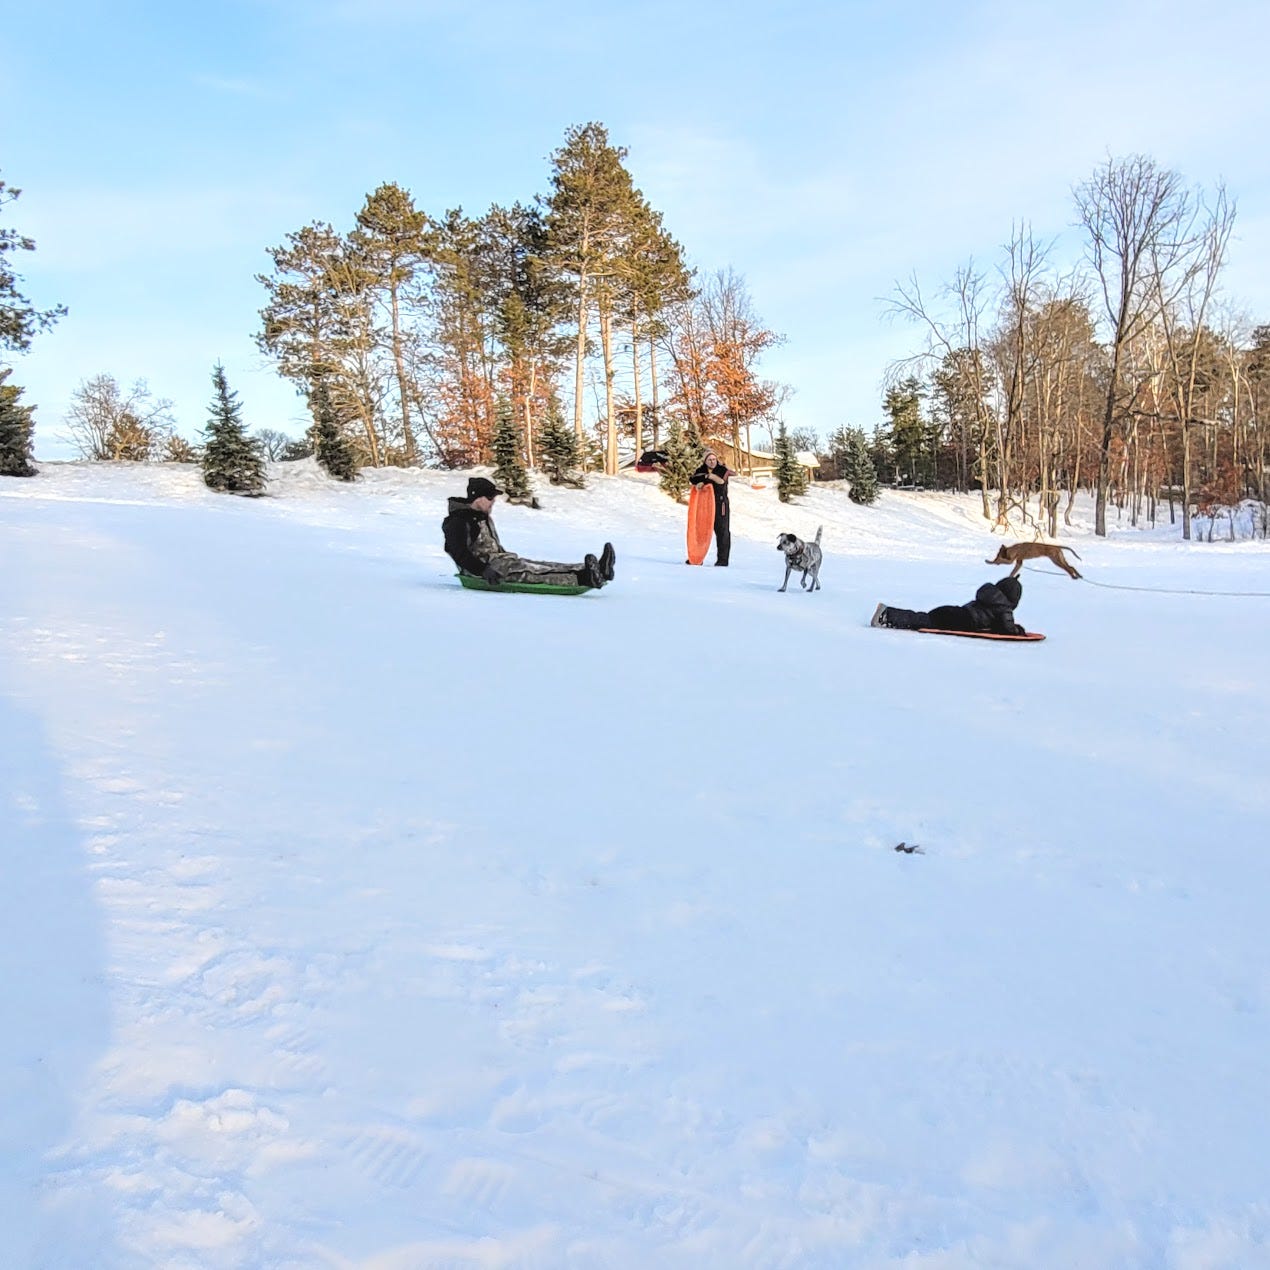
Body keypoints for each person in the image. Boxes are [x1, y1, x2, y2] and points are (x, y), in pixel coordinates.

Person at [443, 476, 615, 589]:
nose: (493, 501)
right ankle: (584, 578)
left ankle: (597, 569)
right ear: (477, 499)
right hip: (489, 572)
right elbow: (458, 552)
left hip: (502, 563)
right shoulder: (458, 521)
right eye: (490, 498)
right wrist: (482, 570)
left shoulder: (481, 517)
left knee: (542, 565)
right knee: (535, 574)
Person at [870, 576, 1026, 634]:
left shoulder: (989, 597)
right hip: (962, 621)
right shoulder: (1003, 607)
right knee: (923, 621)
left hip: (955, 611)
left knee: (924, 618)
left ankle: (887, 613)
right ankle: (886, 616)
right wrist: (1018, 630)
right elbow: (1006, 629)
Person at [688, 449, 731, 566]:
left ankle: (722, 560)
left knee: (722, 532)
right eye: (709, 460)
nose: (712, 462)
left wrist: (709, 477)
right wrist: (700, 483)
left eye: (714, 459)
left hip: (720, 504)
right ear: (705, 461)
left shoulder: (722, 470)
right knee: (701, 531)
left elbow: (721, 482)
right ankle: (697, 557)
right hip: (705, 505)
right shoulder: (700, 470)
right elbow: (693, 479)